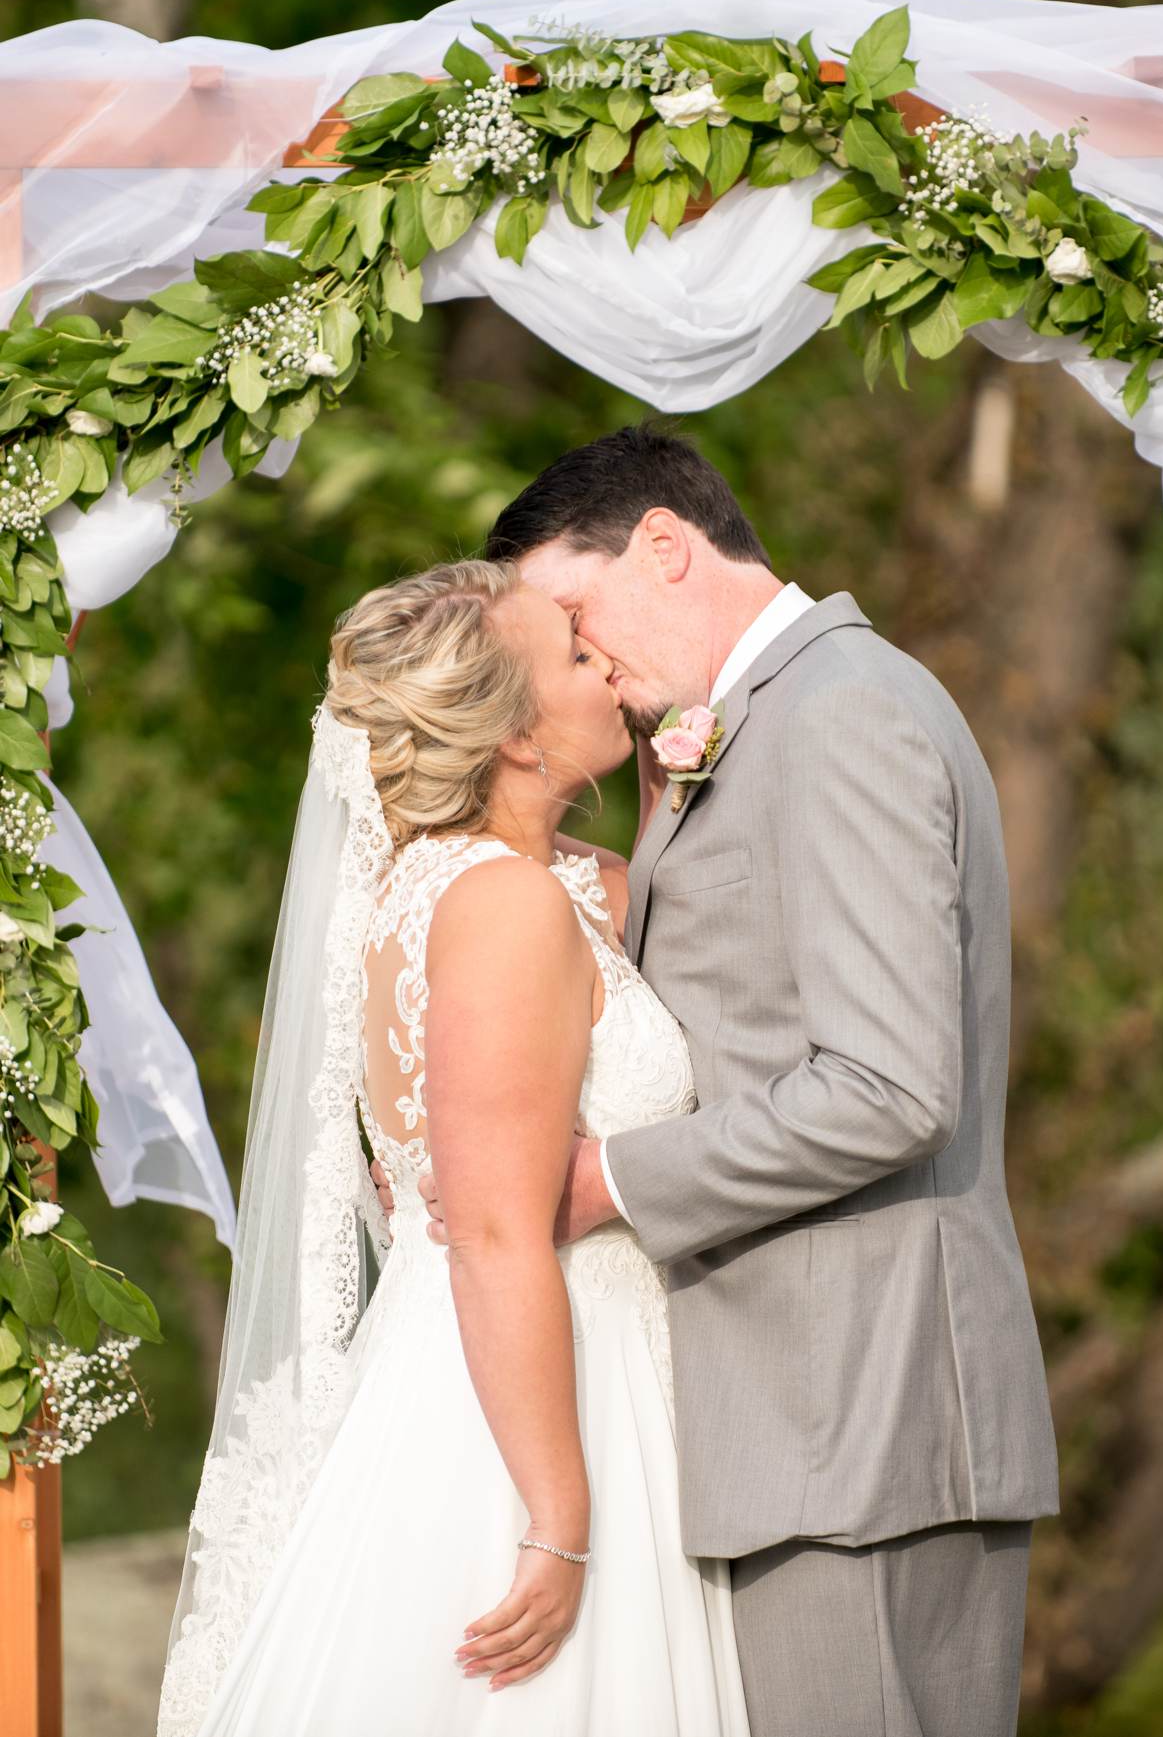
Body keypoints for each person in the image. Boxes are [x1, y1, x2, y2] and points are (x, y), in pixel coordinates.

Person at [386, 424, 1060, 1737]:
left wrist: (602, 1178)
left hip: (866, 1427)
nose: (584, 664)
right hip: (798, 1431)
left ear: (664, 544)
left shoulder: (841, 713)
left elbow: (887, 1085)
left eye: (577, 615)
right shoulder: (761, 727)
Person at [157, 558, 751, 1737]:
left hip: (603, 1360)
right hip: (531, 1404)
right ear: (517, 737)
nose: (608, 663)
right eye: (578, 656)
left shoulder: (562, 881)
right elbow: (490, 1233)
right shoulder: (501, 904)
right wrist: (557, 1513)